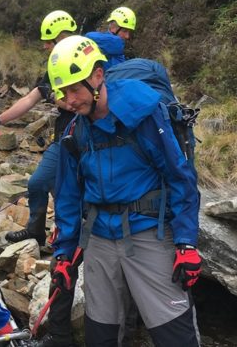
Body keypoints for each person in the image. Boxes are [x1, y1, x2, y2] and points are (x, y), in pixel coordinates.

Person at [35, 35, 202, 346]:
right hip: (98, 237)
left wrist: (185, 243)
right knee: (101, 335)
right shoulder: (75, 131)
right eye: (63, 92)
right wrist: (63, 254)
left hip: (149, 232)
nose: (69, 101)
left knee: (174, 334)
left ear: (98, 75)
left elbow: (181, 178)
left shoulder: (144, 115)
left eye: (75, 89)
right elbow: (69, 196)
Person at [0, 10, 77, 246]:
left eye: (49, 41)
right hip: (64, 138)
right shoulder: (55, 68)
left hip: (82, 138)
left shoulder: (81, 64)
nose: (45, 47)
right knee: (39, 183)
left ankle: (70, 238)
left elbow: (78, 104)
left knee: (68, 190)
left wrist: (57, 99)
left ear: (63, 37)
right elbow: (29, 99)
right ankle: (37, 230)